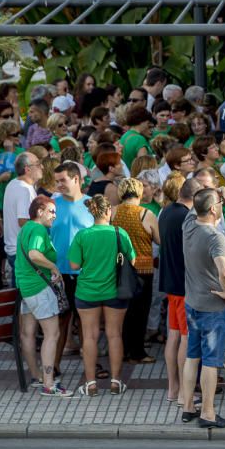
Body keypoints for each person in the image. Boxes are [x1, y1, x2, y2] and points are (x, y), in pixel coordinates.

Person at [69, 195, 136, 397]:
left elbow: (74, 265)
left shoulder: (82, 235)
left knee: (89, 336)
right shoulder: (119, 233)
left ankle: (91, 384)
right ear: (108, 212)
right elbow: (132, 261)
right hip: (116, 291)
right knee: (114, 334)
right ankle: (116, 382)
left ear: (91, 212)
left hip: (87, 292)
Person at [181, 188, 225, 428]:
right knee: (211, 361)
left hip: (192, 301)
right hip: (213, 306)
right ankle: (208, 412)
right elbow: (224, 270)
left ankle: (187, 407)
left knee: (192, 356)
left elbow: (196, 204)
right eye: (220, 203)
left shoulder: (189, 225)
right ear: (214, 208)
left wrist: (209, 193)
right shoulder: (215, 237)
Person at [16, 196, 70, 396]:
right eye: (51, 211)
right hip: (40, 289)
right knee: (52, 334)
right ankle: (49, 384)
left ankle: (37, 376)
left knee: (27, 334)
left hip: (26, 289)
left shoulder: (25, 229)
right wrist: (54, 266)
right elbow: (34, 254)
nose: (54, 216)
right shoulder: (38, 229)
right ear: (40, 211)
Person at [158, 177, 201, 403]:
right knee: (186, 338)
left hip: (170, 284)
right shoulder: (187, 217)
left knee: (173, 336)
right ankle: (185, 394)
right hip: (184, 286)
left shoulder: (166, 212)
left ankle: (173, 390)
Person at [49, 162, 93, 374]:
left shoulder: (92, 205)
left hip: (85, 274)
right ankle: (54, 366)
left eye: (62, 181)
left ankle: (89, 368)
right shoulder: (51, 205)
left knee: (86, 322)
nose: (58, 185)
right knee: (59, 323)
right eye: (56, 181)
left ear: (76, 179)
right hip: (58, 274)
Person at [111, 177, 160, 364]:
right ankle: (137, 352)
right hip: (142, 268)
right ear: (139, 193)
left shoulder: (113, 212)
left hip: (118, 267)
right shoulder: (146, 214)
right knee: (140, 312)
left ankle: (121, 350)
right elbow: (159, 240)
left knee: (122, 312)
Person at [3, 152, 40, 288]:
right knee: (24, 297)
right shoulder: (24, 189)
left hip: (16, 250)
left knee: (19, 296)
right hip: (21, 252)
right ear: (27, 169)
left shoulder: (14, 183)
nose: (41, 167)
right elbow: (23, 221)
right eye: (37, 164)